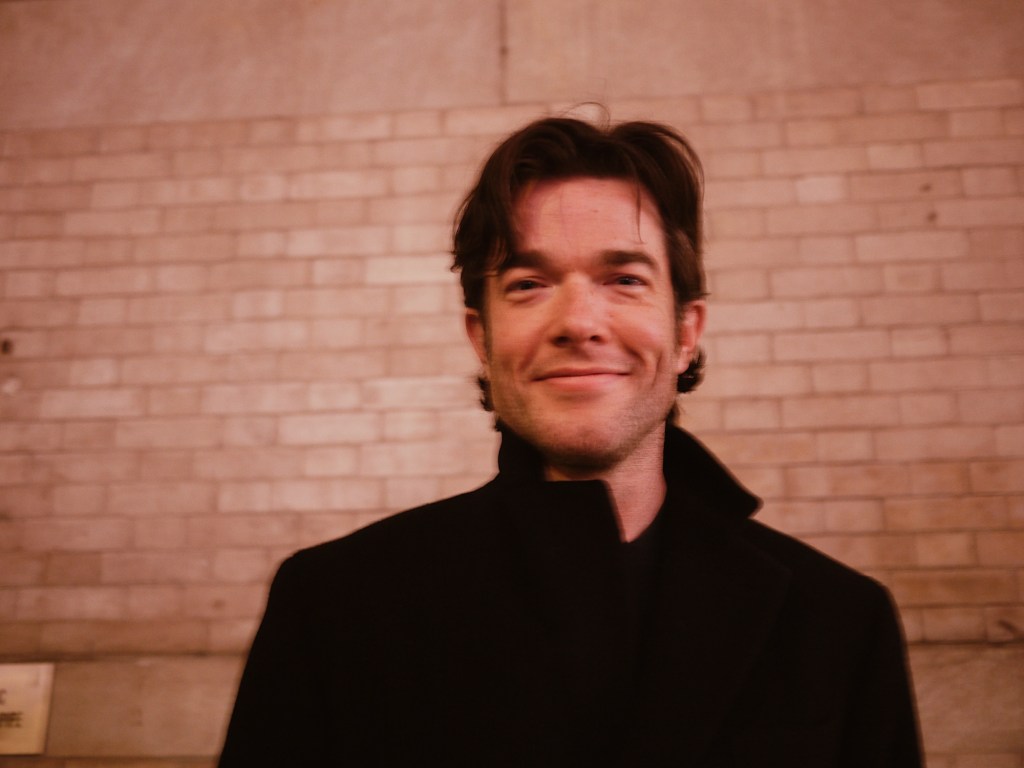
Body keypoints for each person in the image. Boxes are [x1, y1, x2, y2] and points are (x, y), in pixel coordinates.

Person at [218, 116, 923, 766]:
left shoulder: (841, 622)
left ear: (686, 333)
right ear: (481, 338)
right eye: (529, 284)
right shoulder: (335, 608)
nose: (579, 321)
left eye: (624, 279)